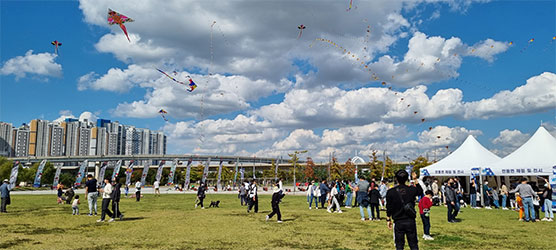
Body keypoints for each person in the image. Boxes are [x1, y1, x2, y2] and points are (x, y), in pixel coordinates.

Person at [386, 170, 423, 250]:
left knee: (399, 245)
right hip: (410, 220)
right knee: (413, 244)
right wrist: (415, 179)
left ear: (396, 179)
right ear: (407, 179)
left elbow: (389, 207)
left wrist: (388, 218)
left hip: (398, 220)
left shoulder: (391, 192)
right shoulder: (412, 190)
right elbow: (420, 191)